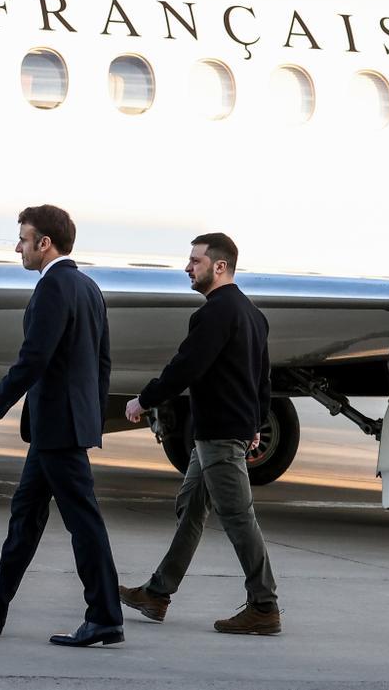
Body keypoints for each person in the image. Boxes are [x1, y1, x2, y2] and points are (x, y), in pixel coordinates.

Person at [0, 205, 123, 648]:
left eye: (23, 239)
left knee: (83, 522)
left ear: (45, 243)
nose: (18, 247)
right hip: (59, 426)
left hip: (57, 427)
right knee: (26, 514)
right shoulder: (88, 287)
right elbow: (103, 362)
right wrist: (90, 419)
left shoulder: (54, 287)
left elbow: (34, 358)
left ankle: (104, 617)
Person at [121, 232, 279, 635]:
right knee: (191, 507)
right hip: (223, 434)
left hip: (221, 436)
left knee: (238, 518)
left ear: (219, 266)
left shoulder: (214, 313)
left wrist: (145, 399)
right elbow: (263, 380)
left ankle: (264, 606)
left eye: (195, 261)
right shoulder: (252, 314)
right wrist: (256, 425)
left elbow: (185, 367)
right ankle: (157, 593)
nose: (188, 268)